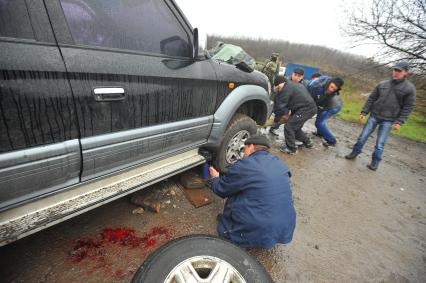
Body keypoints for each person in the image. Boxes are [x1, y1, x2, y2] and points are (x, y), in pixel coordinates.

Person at [208, 135, 296, 249]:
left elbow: (221, 189)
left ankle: (237, 234)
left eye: (244, 149)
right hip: (285, 226)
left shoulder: (246, 164)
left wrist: (215, 178)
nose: (243, 153)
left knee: (235, 196)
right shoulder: (279, 163)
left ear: (251, 147)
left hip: (259, 226)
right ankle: (264, 237)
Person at [345, 61, 416, 171]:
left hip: (389, 120)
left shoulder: (409, 89)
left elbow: (408, 107)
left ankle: (375, 162)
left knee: (380, 143)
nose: (396, 73)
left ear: (406, 73)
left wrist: (399, 122)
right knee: (362, 136)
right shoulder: (383, 84)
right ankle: (354, 152)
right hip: (374, 115)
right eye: (395, 70)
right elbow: (371, 99)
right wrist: (364, 112)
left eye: (399, 71)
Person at [273, 75, 317, 154]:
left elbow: (281, 106)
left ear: (281, 83)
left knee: (289, 126)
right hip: (307, 108)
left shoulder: (286, 89)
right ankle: (308, 142)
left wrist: (279, 118)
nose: (278, 89)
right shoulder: (291, 85)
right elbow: (285, 104)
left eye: (278, 87)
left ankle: (291, 149)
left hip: (305, 109)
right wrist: (281, 116)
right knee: (295, 128)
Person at [308, 76, 344, 146]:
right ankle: (320, 133)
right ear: (330, 82)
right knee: (319, 116)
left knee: (319, 123)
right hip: (327, 104)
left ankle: (332, 140)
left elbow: (320, 102)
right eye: (331, 87)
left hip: (333, 107)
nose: (331, 90)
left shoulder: (331, 91)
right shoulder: (317, 86)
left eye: (334, 89)